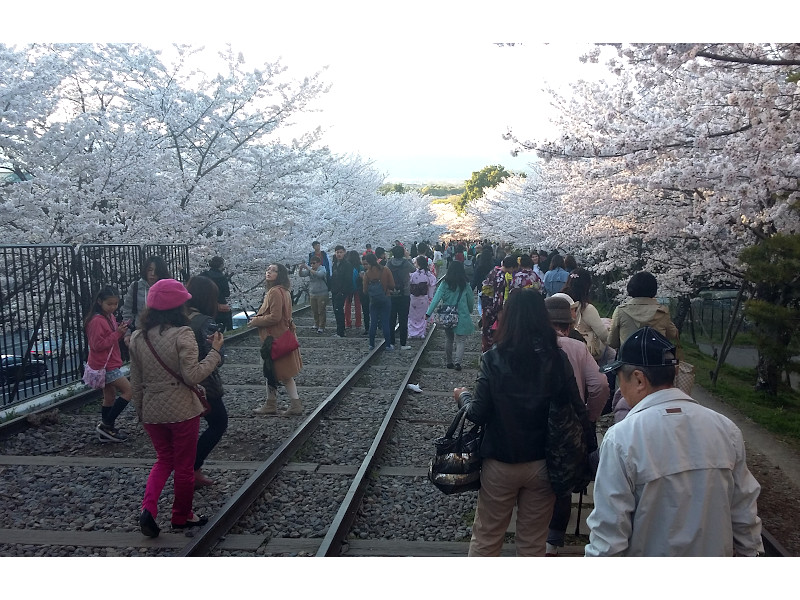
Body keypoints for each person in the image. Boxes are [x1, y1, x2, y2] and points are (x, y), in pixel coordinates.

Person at [586, 327, 764, 556]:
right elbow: (745, 517)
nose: (620, 388)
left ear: (639, 379)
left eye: (621, 378)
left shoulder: (622, 438)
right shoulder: (726, 429)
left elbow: (608, 536)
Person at [452, 289, 585, 556]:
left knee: (487, 537)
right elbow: (577, 408)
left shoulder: (494, 358)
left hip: (500, 460)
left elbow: (477, 413)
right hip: (543, 463)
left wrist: (463, 396)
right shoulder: (557, 359)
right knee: (533, 542)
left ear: (509, 318)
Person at [129, 279, 224, 536]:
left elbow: (135, 381)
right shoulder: (183, 334)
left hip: (151, 409)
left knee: (163, 461)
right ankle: (182, 516)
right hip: (182, 409)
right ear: (179, 306)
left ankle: (148, 508)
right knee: (183, 466)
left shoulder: (137, 337)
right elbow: (193, 375)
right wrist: (214, 352)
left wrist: (141, 411)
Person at [544, 296, 608, 556]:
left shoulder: (531, 346)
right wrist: (590, 417)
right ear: (568, 326)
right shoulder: (578, 348)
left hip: (537, 422)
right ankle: (553, 541)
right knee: (563, 484)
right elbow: (600, 386)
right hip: (571, 426)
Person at [608, 271, 679, 422]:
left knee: (625, 406)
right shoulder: (662, 311)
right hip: (656, 367)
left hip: (628, 368)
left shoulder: (621, 311)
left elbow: (612, 342)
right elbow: (673, 334)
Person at [185, 276, 228, 488]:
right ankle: (192, 468)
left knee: (189, 427)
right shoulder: (205, 322)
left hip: (178, 381)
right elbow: (217, 357)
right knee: (218, 422)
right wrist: (219, 349)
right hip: (204, 382)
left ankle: (192, 469)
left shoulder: (178, 317)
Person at [249, 263, 304, 416]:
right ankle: (282, 403)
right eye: (268, 269)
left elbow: (275, 317)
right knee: (279, 373)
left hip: (274, 339)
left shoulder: (274, 292)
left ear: (280, 274)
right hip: (283, 336)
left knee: (274, 371)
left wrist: (256, 321)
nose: (269, 272)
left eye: (274, 270)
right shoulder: (284, 291)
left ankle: (277, 404)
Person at [84, 286, 132, 442]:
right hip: (105, 365)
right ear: (100, 302)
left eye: (115, 304)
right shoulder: (97, 320)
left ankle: (106, 432)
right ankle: (106, 424)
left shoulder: (108, 316)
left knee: (109, 396)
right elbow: (97, 345)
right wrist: (118, 333)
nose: (113, 307)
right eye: (109, 304)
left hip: (106, 363)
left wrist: (119, 330)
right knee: (128, 391)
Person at [426, 261, 475, 370]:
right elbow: (470, 300)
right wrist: (470, 310)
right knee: (461, 340)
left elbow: (436, 299)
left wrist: (428, 313)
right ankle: (458, 363)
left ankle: (449, 362)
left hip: (447, 315)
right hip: (462, 315)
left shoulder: (444, 284)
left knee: (449, 338)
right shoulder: (465, 284)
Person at [561, 268, 609, 363]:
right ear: (587, 286)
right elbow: (605, 337)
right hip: (586, 353)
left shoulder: (560, 303)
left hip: (562, 350)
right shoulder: (587, 309)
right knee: (610, 353)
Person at [122, 255, 171, 345]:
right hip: (140, 332)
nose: (152, 274)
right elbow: (127, 311)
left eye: (156, 271)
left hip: (162, 334)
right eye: (150, 270)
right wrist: (127, 333)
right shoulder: (136, 287)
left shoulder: (167, 287)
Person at [363, 252, 394, 350]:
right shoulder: (385, 270)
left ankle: (371, 344)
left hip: (373, 300)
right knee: (385, 322)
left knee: (373, 322)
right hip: (385, 298)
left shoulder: (367, 274)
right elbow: (392, 285)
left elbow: (364, 290)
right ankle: (388, 345)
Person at [387, 245, 415, 350]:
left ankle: (391, 343)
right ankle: (403, 344)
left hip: (392, 294)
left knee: (391, 319)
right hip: (405, 294)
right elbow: (413, 270)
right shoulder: (406, 263)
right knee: (403, 319)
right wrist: (408, 258)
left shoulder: (389, 263)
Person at [199, 256, 233, 332]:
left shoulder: (204, 275)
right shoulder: (222, 278)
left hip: (205, 306)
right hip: (220, 309)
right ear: (221, 265)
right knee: (219, 331)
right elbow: (227, 293)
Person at [408, 255, 437, 339]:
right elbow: (432, 284)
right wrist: (430, 296)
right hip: (423, 297)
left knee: (412, 315)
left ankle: (411, 333)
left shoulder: (412, 275)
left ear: (418, 263)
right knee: (422, 316)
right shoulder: (428, 275)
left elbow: (408, 283)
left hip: (413, 297)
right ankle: (421, 333)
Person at [298, 256, 329, 334]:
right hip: (312, 293)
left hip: (322, 293)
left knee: (321, 310)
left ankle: (321, 326)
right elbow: (301, 274)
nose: (312, 265)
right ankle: (316, 323)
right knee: (314, 310)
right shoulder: (310, 270)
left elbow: (320, 275)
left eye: (314, 263)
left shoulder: (322, 269)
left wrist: (308, 268)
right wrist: (301, 268)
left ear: (318, 263)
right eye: (311, 263)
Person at [329, 245, 353, 338]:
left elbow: (348, 279)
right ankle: (340, 330)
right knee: (336, 310)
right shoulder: (335, 264)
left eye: (340, 252)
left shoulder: (347, 265)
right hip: (335, 290)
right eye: (337, 252)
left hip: (342, 291)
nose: (339, 254)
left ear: (344, 252)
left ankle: (340, 332)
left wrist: (343, 291)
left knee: (338, 309)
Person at [343, 250, 363, 331]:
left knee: (347, 305)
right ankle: (358, 323)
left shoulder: (347, 266)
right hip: (358, 288)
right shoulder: (360, 266)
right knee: (358, 306)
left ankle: (348, 323)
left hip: (348, 288)